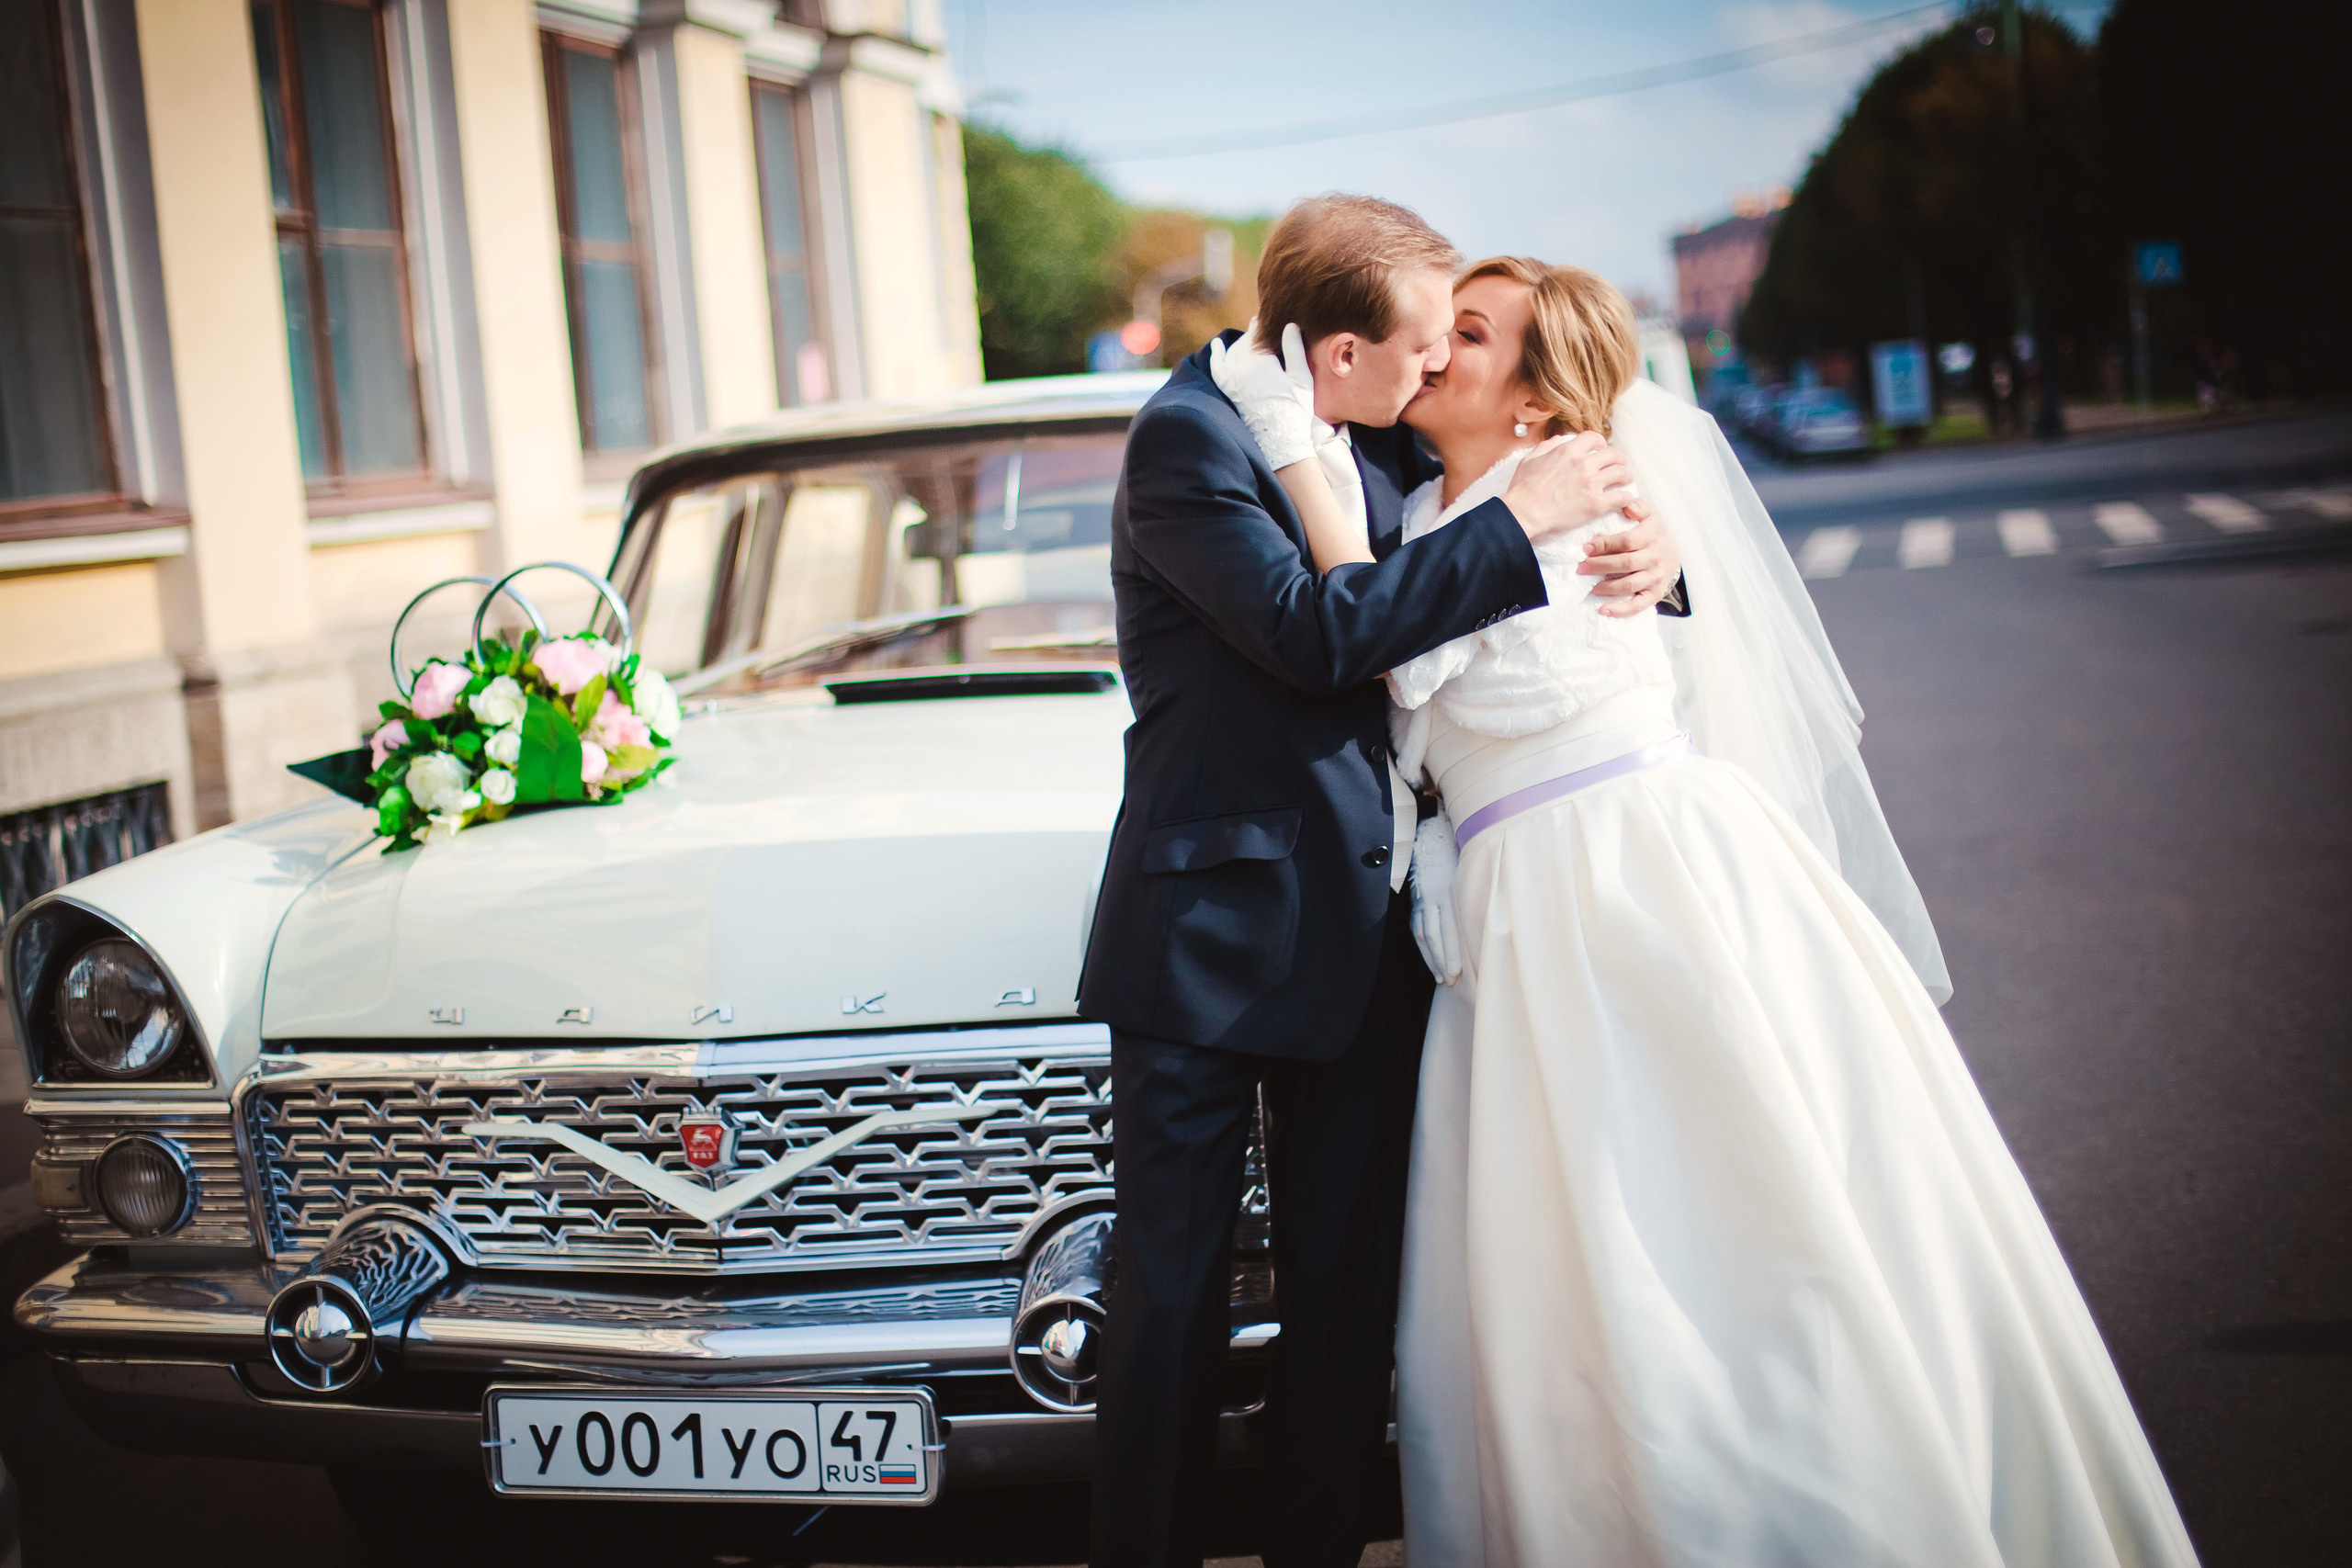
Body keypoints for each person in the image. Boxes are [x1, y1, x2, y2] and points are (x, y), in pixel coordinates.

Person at [1228, 254, 2199, 1567]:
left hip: (1635, 887)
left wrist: (1295, 447)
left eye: (1467, 332)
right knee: (1560, 1272)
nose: (1430, 348)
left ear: (1534, 399)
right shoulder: (1421, 512)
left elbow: (1395, 645)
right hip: (1516, 926)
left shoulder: (1574, 495)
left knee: (1715, 1222)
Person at [1075, 196, 1685, 1568]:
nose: (1430, 374)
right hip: (1209, 938)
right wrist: (1525, 525)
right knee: (1169, 1299)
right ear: (1337, 353)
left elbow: (1543, 447)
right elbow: (1313, 633)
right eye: (1414, 350)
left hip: (1376, 940)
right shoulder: (1191, 440)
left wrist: (1667, 554)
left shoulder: (1379, 420)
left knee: (1345, 1302)